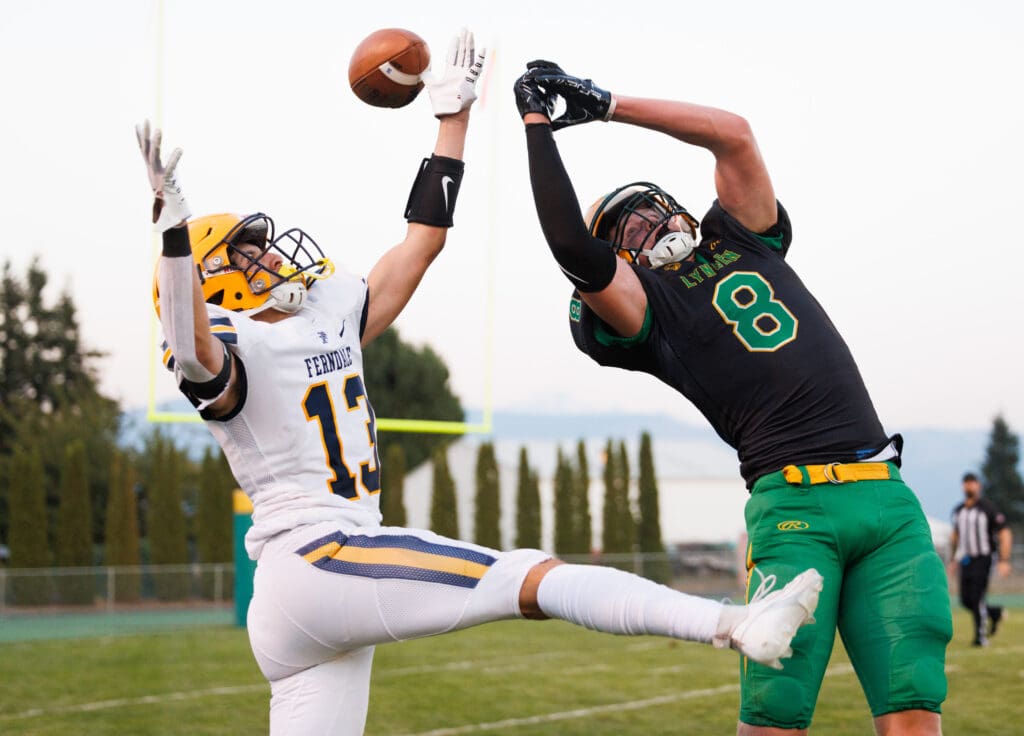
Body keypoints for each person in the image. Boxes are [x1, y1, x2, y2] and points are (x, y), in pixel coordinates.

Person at [135, 30, 822, 736]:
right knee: (525, 577)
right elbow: (190, 350)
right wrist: (173, 240)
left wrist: (451, 118)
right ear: (212, 281)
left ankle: (735, 623)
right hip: (317, 558)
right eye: (249, 256)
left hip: (321, 586)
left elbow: (420, 242)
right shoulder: (226, 345)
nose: (272, 257)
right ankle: (734, 623)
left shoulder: (325, 316)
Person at [513, 61, 952, 735]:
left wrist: (604, 103)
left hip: (887, 497)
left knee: (916, 712)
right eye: (627, 232)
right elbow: (571, 243)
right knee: (774, 717)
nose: (649, 227)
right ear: (618, 264)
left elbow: (733, 135)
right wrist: (538, 125)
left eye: (651, 210)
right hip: (795, 503)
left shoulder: (741, 235)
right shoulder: (645, 310)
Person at [950, 471, 1013, 646]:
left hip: (983, 558)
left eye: (972, 482)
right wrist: (954, 559)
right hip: (965, 560)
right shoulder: (959, 510)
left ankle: (980, 637)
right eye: (966, 482)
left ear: (979, 485)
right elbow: (955, 536)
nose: (969, 485)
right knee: (965, 599)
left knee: (977, 597)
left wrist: (1004, 559)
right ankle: (995, 613)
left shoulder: (988, 508)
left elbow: (1005, 532)